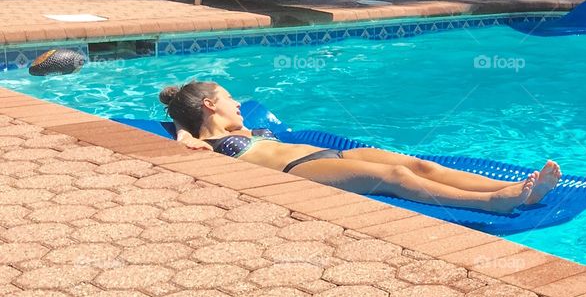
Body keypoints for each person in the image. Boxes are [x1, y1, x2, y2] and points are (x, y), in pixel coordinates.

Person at [161, 82, 561, 214]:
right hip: (299, 170)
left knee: (419, 164)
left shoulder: (247, 128)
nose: (237, 103)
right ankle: (492, 202)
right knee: (393, 176)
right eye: (229, 98)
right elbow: (182, 127)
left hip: (336, 156)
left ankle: (513, 189)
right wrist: (183, 130)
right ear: (209, 105)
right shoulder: (204, 143)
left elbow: (188, 111)